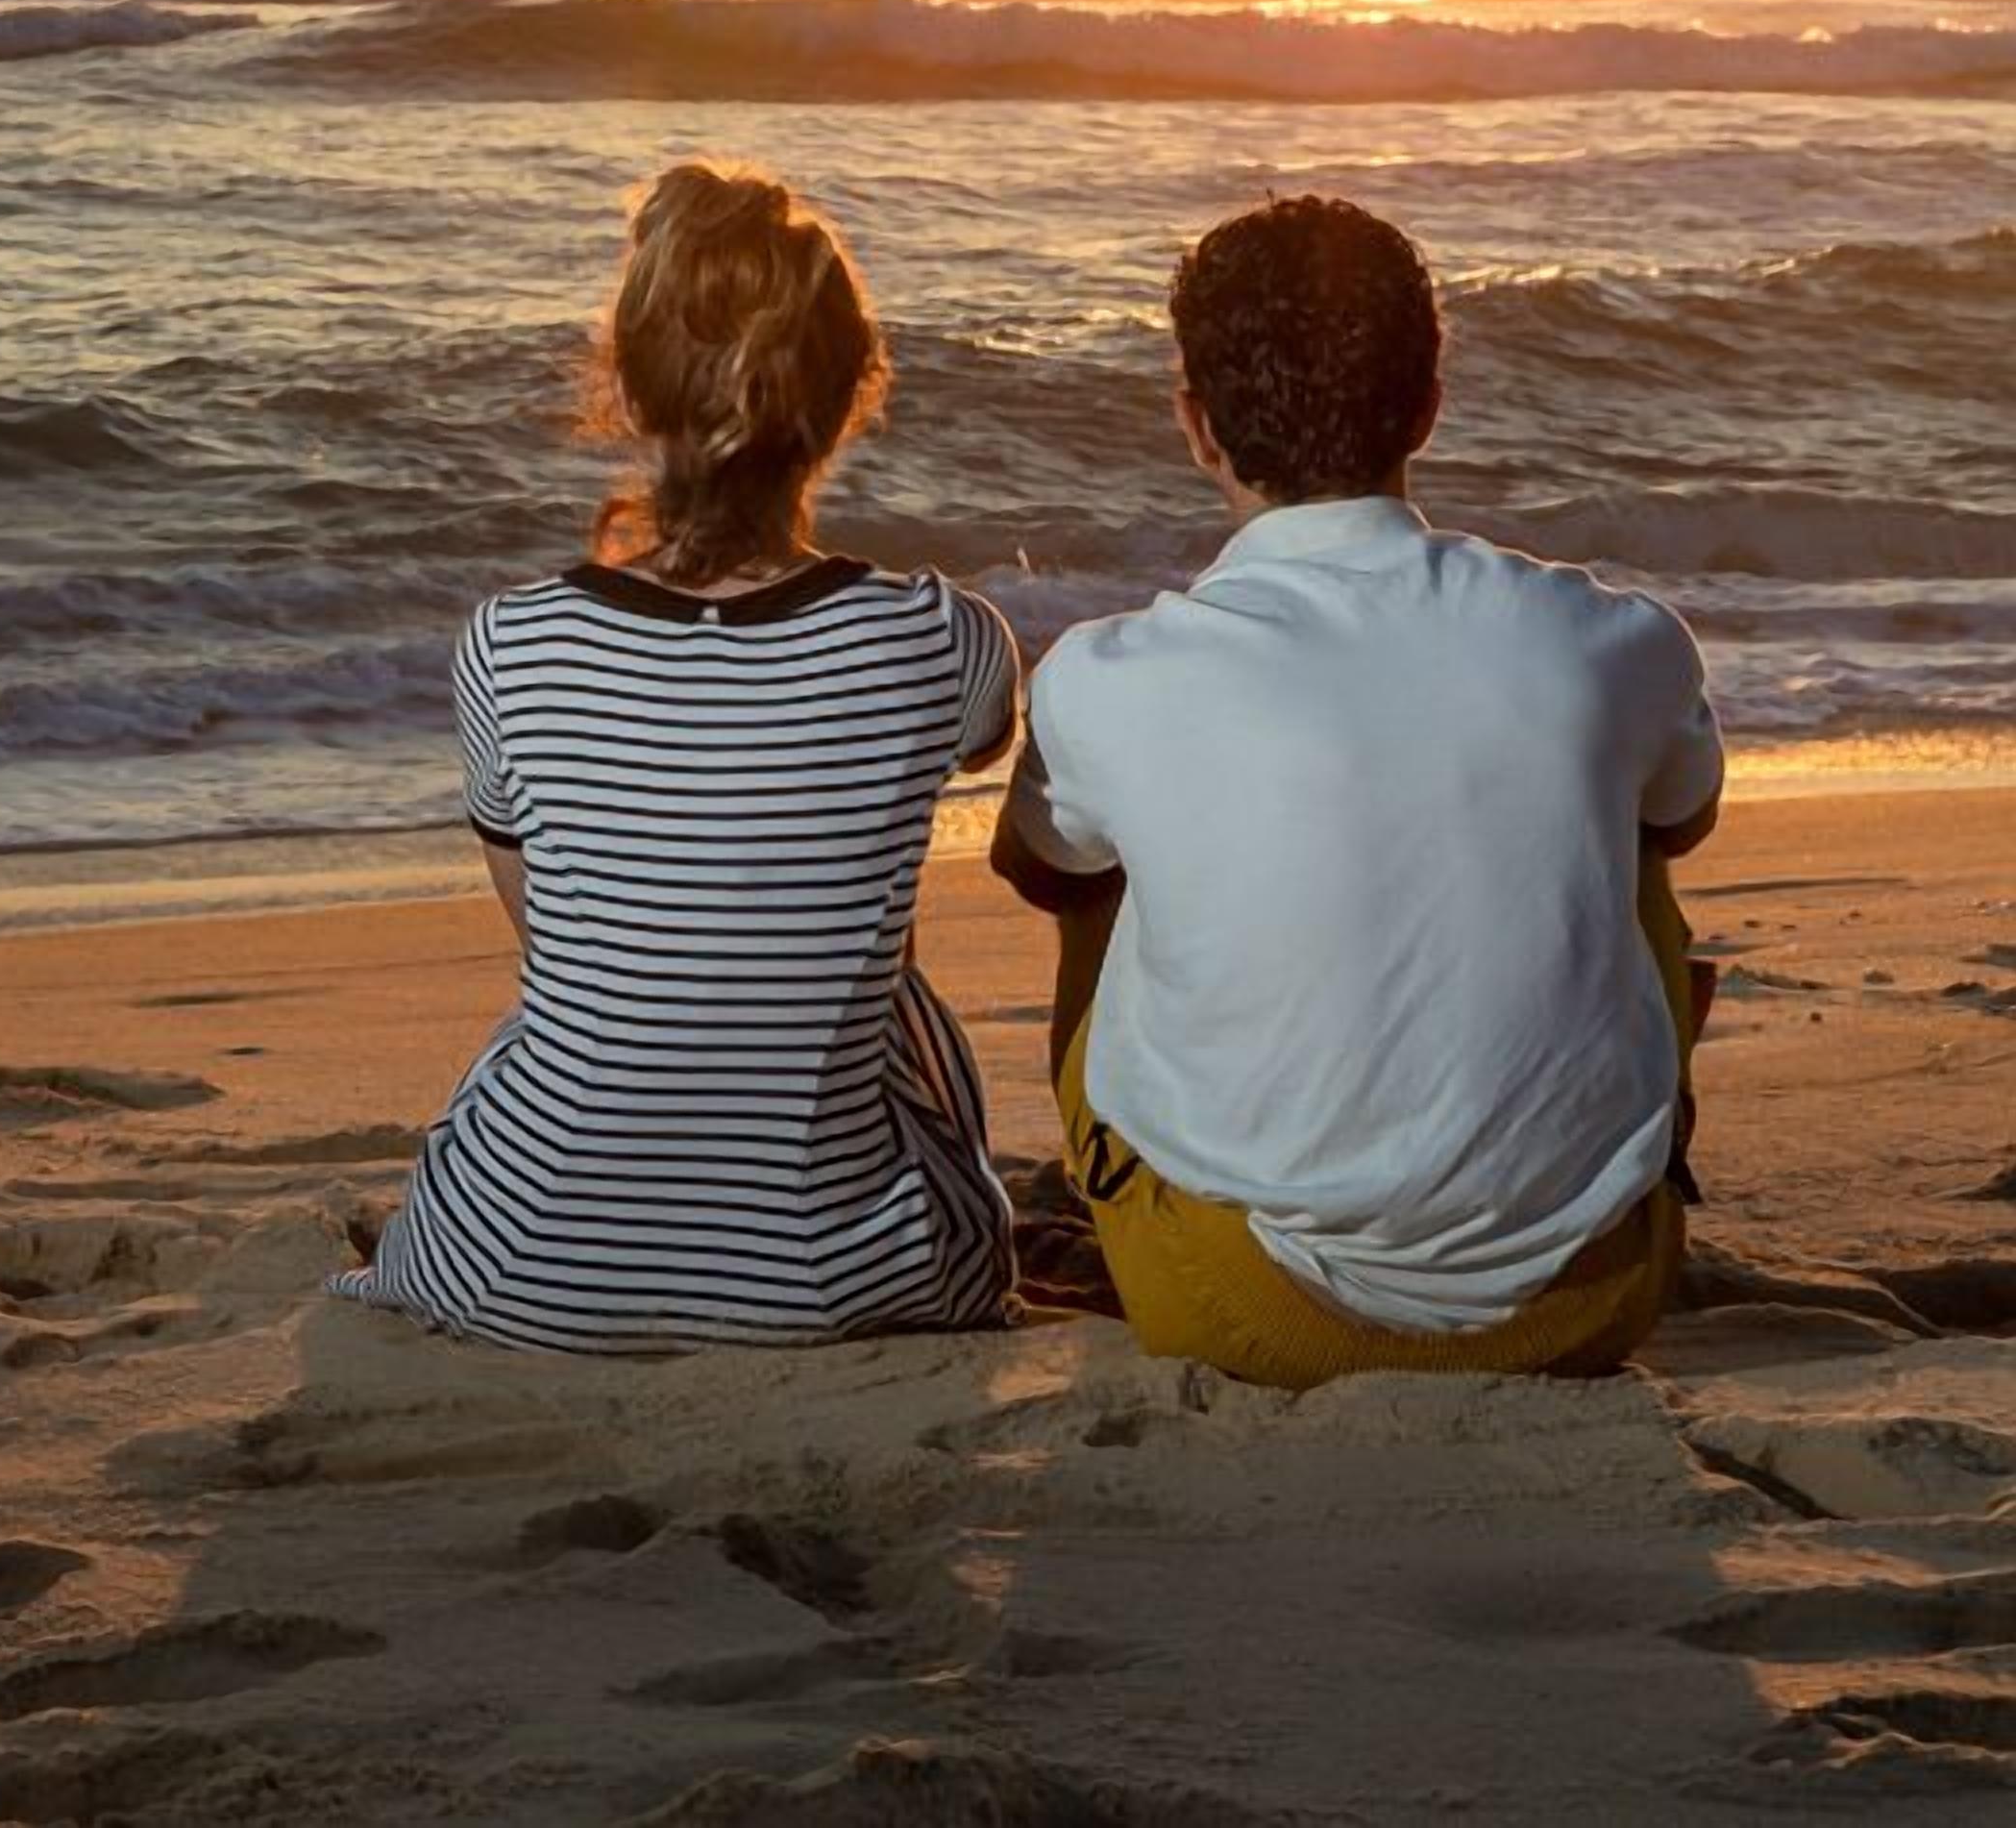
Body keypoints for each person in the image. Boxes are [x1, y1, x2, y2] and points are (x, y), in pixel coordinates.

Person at [991, 195, 1722, 1389]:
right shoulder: (1611, 639)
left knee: (1096, 867)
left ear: (1195, 424)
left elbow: (1032, 868)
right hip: (1592, 1297)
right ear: (1427, 403)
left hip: (1243, 1310)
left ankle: (1165, 1167)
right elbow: (1686, 817)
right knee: (1624, 821)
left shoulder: (1109, 674)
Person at [332, 162, 1022, 1353]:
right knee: (891, 992)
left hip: (523, 1265)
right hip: (842, 1280)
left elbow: (553, 941)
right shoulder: (937, 634)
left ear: (628, 390)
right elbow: (982, 739)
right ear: (852, 391)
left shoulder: (509, 643)